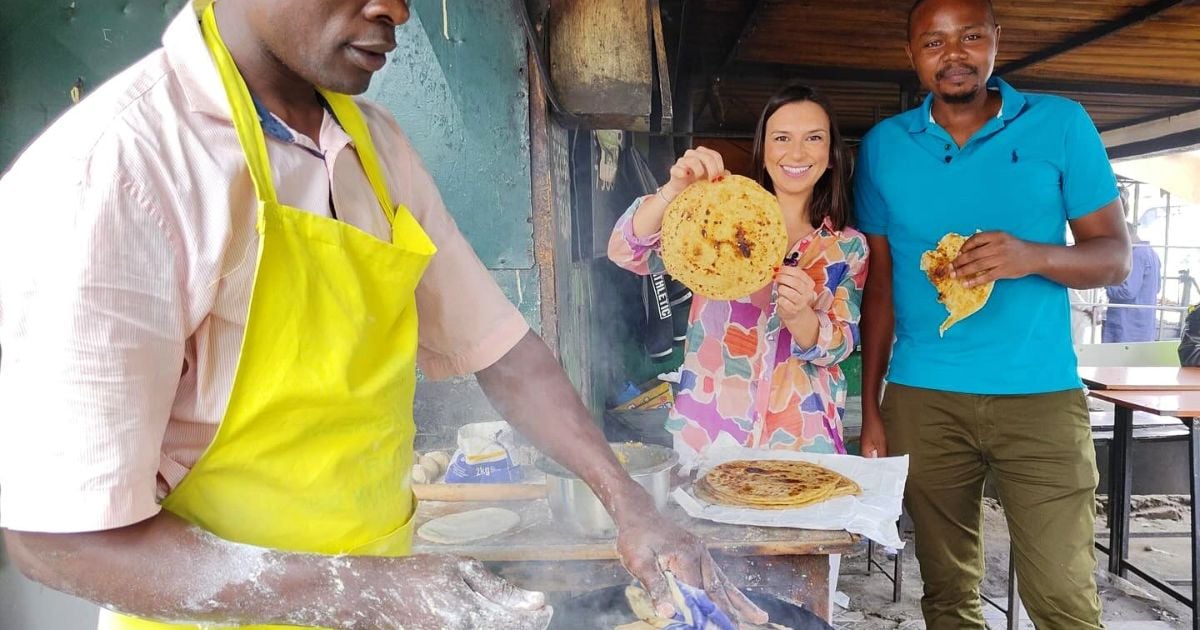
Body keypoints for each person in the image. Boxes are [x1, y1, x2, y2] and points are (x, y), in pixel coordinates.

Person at [0, 1, 768, 628]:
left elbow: (504, 351)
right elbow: (57, 539)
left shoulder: (377, 148)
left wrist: (631, 505)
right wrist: (375, 594)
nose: (395, 10)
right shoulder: (121, 168)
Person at [854, 0, 1131, 628]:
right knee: (947, 594)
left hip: (1039, 397)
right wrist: (872, 409)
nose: (953, 55)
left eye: (970, 37)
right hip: (923, 399)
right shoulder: (884, 147)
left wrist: (1030, 255)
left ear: (996, 42)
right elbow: (880, 288)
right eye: (934, 42)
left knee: (1062, 597)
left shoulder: (1060, 124)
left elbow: (1115, 259)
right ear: (912, 56)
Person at [608, 83, 868, 458]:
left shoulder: (848, 247)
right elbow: (625, 250)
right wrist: (674, 188)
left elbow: (841, 346)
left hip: (801, 433)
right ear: (763, 152)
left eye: (814, 138)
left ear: (830, 156)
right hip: (711, 430)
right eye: (782, 138)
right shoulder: (714, 223)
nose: (796, 152)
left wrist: (802, 317)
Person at [1103, 222, 1162, 342]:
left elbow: (1127, 291)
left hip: (1127, 325)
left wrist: (1107, 283)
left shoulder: (1136, 255)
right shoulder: (1152, 254)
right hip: (1143, 325)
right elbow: (1157, 288)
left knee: (1116, 359)